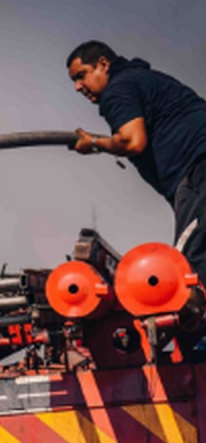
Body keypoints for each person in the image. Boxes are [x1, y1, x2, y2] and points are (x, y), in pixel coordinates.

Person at [67, 40, 206, 283]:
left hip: (198, 170)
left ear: (103, 64)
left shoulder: (118, 89)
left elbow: (133, 141)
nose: (78, 87)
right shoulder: (141, 80)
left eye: (82, 76)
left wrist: (93, 143)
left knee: (188, 275)